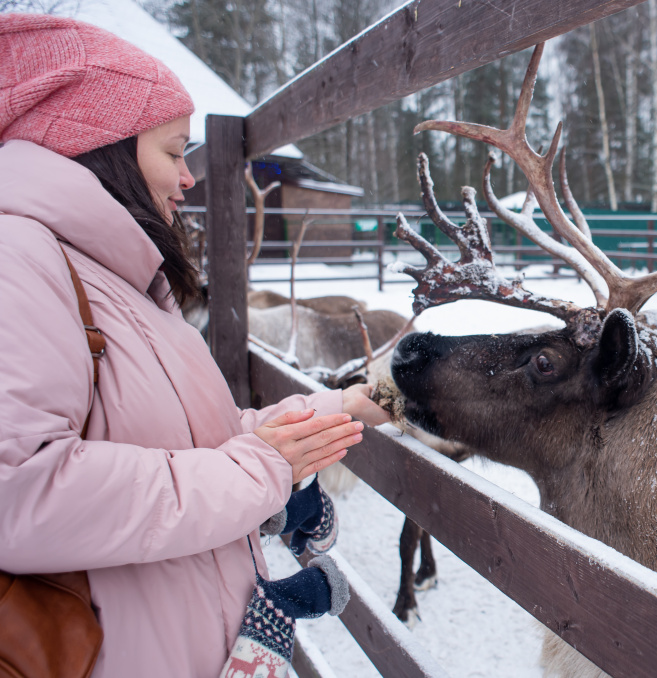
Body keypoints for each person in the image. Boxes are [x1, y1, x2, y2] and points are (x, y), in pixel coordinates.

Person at [0, 13, 389, 677]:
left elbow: (187, 441)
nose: (189, 178)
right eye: (175, 152)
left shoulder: (123, 276)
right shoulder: (18, 259)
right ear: (102, 146)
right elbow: (20, 492)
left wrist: (329, 412)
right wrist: (257, 470)